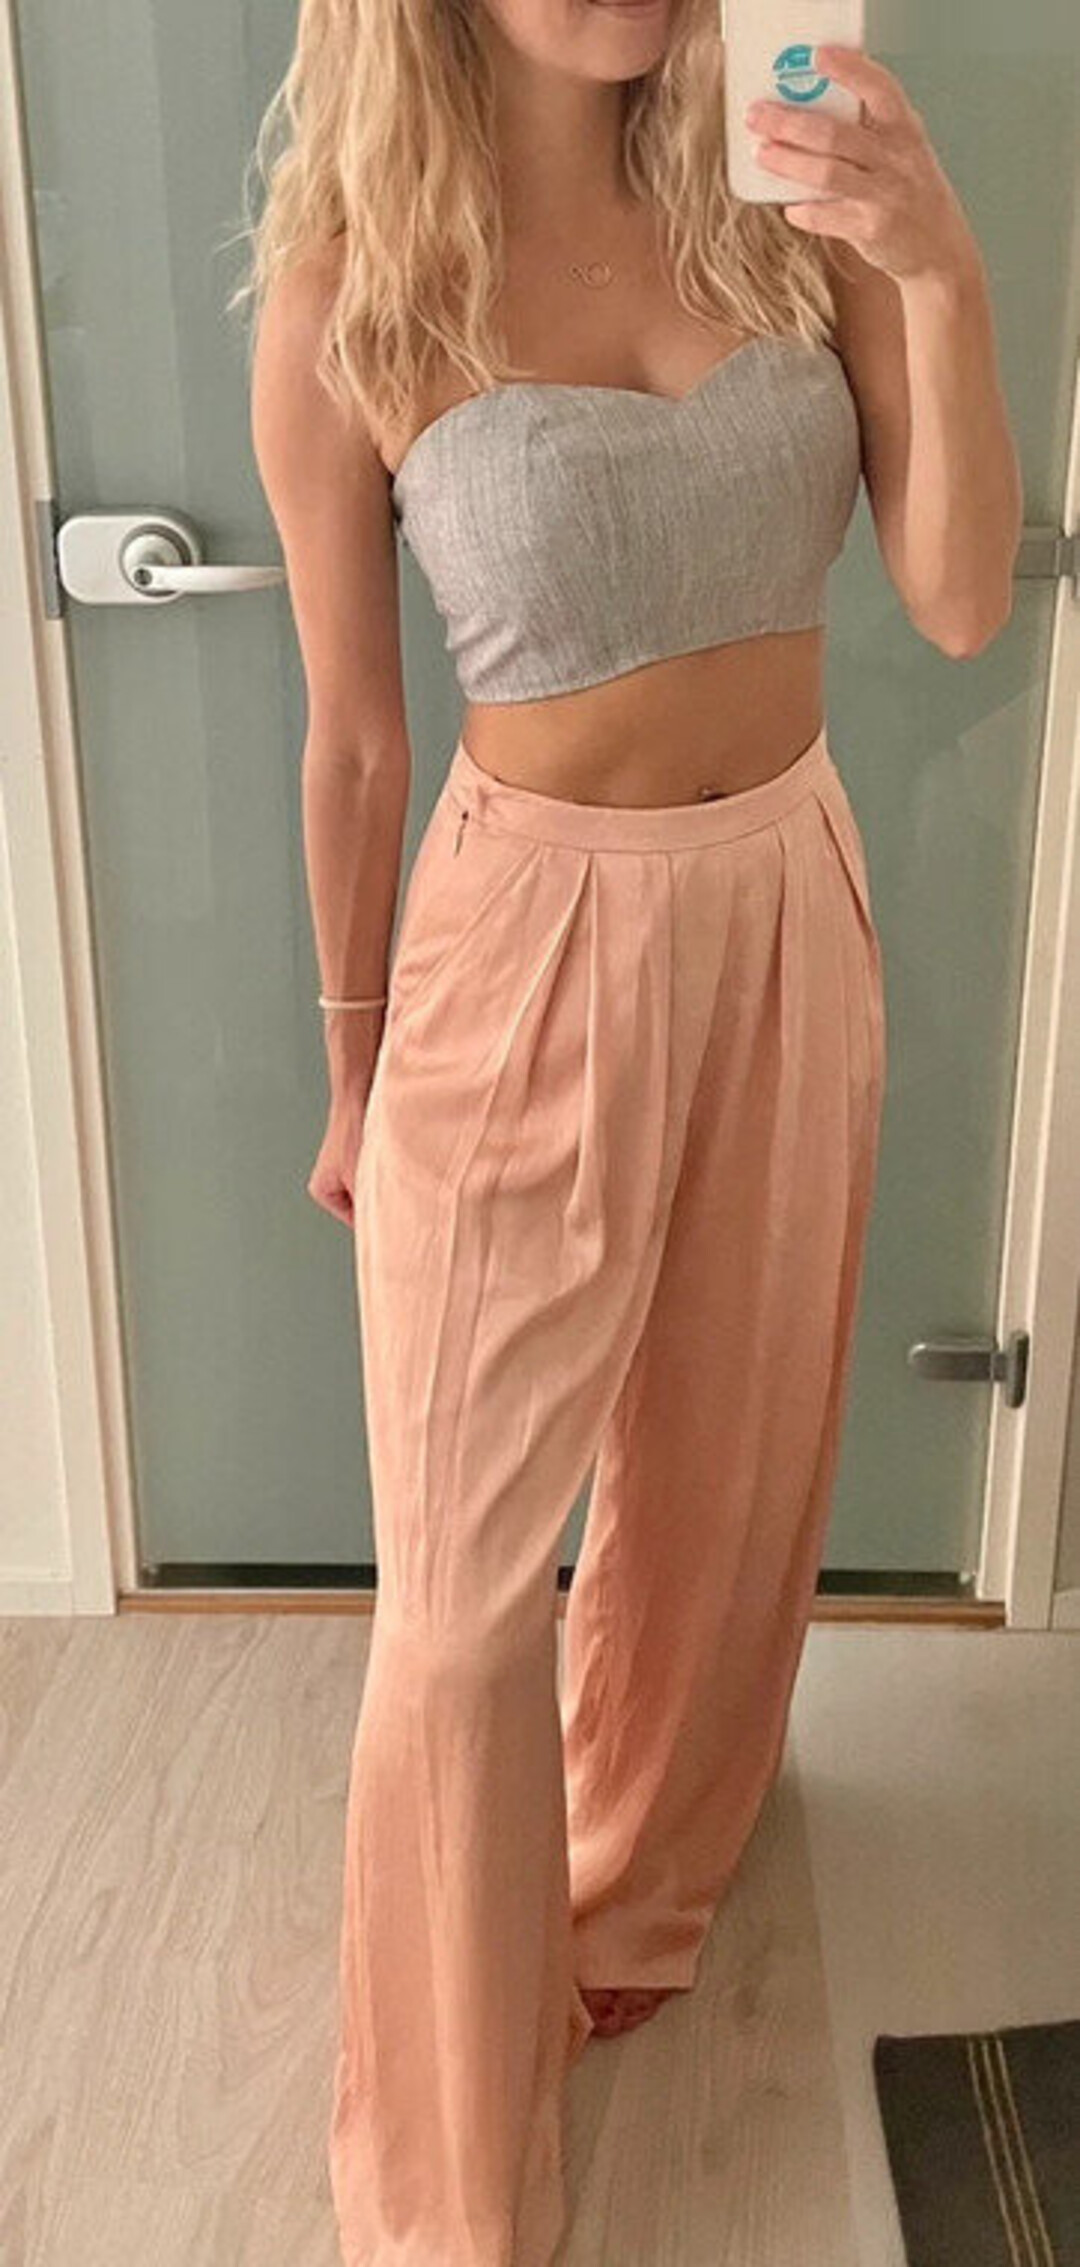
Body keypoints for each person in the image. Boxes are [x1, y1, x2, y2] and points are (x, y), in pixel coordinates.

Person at [242, 1, 1022, 2259]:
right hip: (523, 944)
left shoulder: (795, 205)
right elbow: (357, 744)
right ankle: (448, 2193)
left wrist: (942, 269)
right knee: (462, 1597)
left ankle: (641, 1888)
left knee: (727, 1469)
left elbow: (959, 596)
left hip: (787, 892)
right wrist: (353, 1068)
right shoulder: (354, 292)